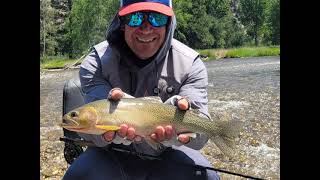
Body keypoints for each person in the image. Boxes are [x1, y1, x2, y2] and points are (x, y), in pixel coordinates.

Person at [63, 0, 220, 179]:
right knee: (77, 176)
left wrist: (181, 127)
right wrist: (108, 135)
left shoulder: (191, 64)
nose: (146, 29)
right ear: (121, 23)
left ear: (169, 22)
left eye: (157, 18)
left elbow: (201, 137)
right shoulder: (95, 62)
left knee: (207, 176)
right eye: (136, 18)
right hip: (112, 153)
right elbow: (96, 135)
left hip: (169, 153)